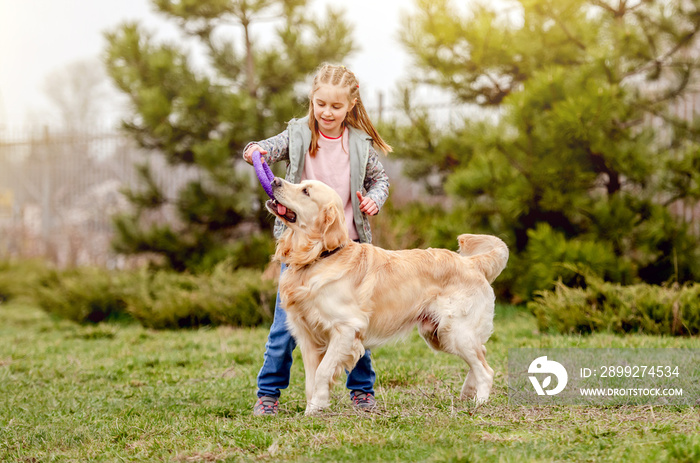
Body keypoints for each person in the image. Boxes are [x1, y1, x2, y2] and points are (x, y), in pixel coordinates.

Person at [243, 63, 392, 416]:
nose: (327, 112)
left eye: (336, 106)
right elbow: (263, 148)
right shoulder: (296, 135)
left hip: (344, 250)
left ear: (350, 107)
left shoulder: (358, 145)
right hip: (299, 251)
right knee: (284, 329)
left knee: (351, 323)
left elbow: (381, 180)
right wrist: (252, 151)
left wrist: (375, 198)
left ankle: (361, 392)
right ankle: (268, 394)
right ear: (312, 100)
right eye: (320, 103)